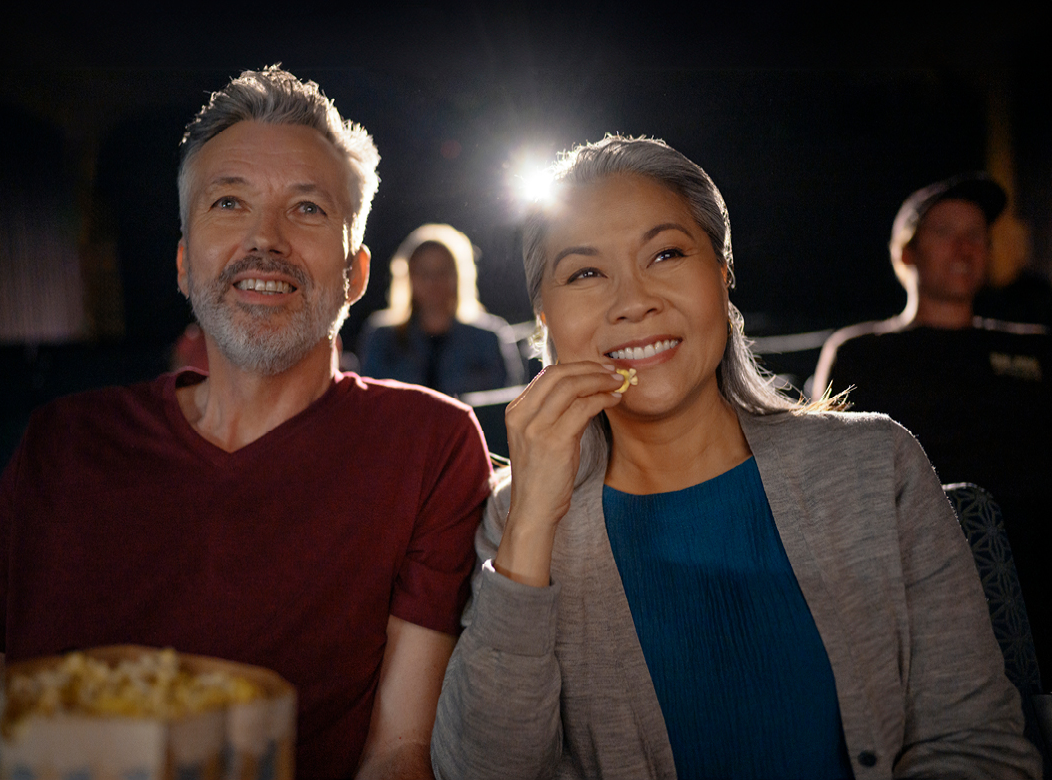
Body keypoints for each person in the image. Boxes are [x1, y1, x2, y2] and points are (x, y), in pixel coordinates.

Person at [430, 137, 1040, 779]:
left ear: (722, 275)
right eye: (585, 273)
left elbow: (979, 748)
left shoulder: (877, 466)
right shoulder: (514, 518)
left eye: (666, 254)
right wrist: (531, 522)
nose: (633, 301)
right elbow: (481, 771)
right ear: (544, 318)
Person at [0, 66, 492, 780]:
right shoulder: (63, 442)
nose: (264, 239)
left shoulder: (427, 445)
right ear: (185, 264)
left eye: (307, 209)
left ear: (356, 273)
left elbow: (400, 748)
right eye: (228, 202)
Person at [812, 173, 1052, 683]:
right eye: (945, 232)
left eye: (976, 234)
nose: (965, 247)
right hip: (921, 582)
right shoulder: (862, 353)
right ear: (907, 252)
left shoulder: (1034, 348)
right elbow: (828, 483)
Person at [359, 223, 523, 396]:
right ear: (409, 277)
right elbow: (370, 399)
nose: (433, 282)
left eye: (442, 272)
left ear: (458, 275)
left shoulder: (488, 338)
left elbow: (507, 401)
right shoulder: (382, 339)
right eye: (424, 273)